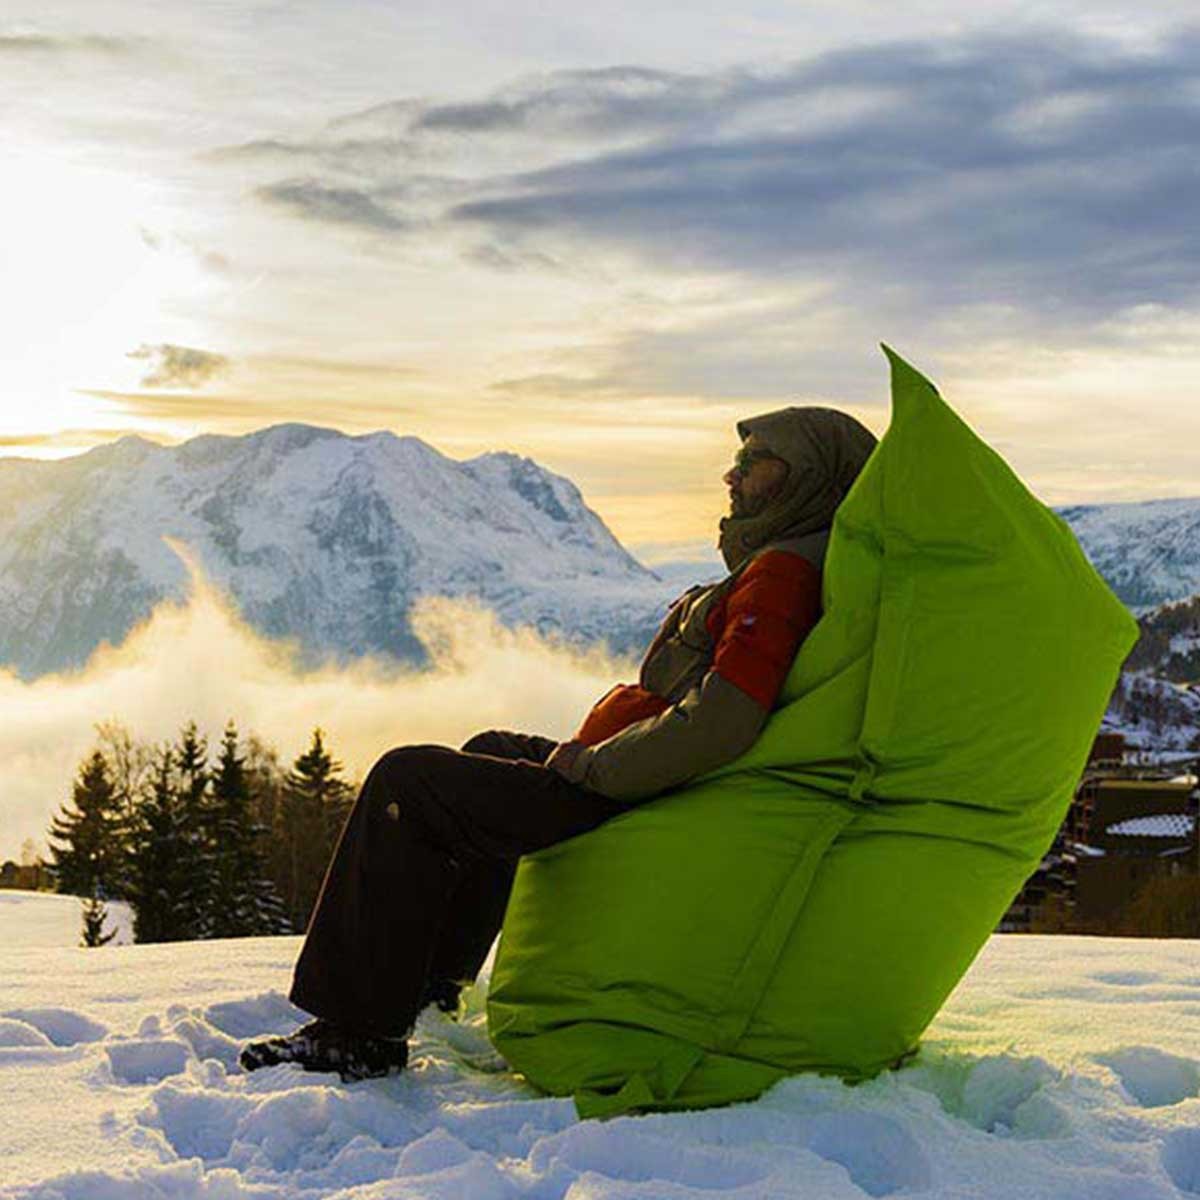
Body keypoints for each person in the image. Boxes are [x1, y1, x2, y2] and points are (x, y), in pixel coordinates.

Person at [239, 405, 878, 1081]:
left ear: (808, 475)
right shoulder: (790, 559)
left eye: (755, 463)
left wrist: (597, 765)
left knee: (407, 784)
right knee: (488, 748)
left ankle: (358, 1031)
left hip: (637, 789)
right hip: (642, 772)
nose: (733, 474)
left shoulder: (780, 574)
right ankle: (429, 989)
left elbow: (723, 721)